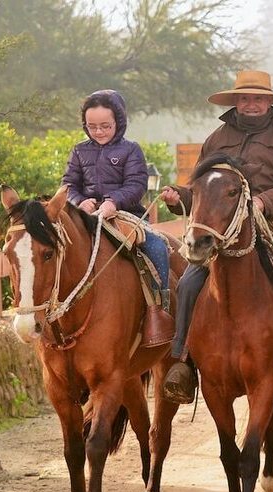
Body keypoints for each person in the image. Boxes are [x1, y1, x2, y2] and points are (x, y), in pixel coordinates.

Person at [158, 70, 273, 403]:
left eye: (258, 99)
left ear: (268, 102)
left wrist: (264, 201)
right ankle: (183, 361)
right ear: (236, 102)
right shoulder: (216, 139)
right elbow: (201, 189)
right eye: (245, 98)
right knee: (188, 283)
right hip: (223, 229)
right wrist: (178, 197)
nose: (251, 104)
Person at [61, 89, 174, 347]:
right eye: (92, 127)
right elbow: (68, 185)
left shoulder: (130, 150)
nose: (98, 132)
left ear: (118, 122)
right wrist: (79, 201)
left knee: (157, 247)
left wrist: (113, 201)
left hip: (124, 213)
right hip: (87, 216)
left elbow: (136, 184)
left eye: (105, 126)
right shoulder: (79, 151)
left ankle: (160, 309)